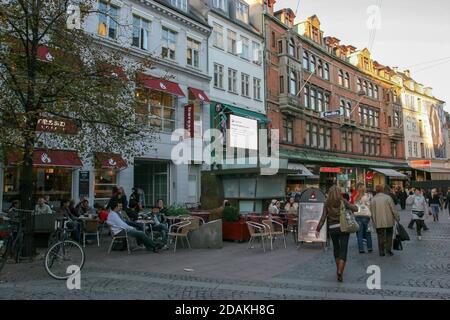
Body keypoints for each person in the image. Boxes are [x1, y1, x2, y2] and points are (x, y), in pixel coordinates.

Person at [316, 186, 358, 282]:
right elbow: (355, 209)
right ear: (339, 192)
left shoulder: (327, 203)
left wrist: (317, 229)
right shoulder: (342, 201)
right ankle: (340, 271)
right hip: (343, 228)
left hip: (332, 229)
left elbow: (323, 217)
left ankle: (338, 269)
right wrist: (356, 206)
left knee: (336, 249)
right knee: (343, 250)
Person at [370, 185, 399, 257]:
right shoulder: (388, 198)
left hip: (378, 221)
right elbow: (393, 209)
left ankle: (381, 251)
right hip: (388, 219)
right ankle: (388, 250)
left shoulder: (373, 199)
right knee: (389, 234)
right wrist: (397, 217)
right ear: (382, 190)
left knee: (380, 236)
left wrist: (374, 221)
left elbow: (372, 212)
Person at [353, 183, 373, 254]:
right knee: (368, 233)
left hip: (358, 216)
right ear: (364, 189)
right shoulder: (367, 196)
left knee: (359, 234)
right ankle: (369, 247)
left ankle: (361, 249)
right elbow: (369, 206)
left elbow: (354, 207)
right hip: (366, 216)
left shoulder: (356, 197)